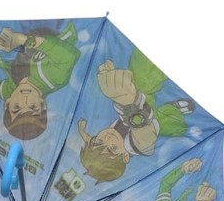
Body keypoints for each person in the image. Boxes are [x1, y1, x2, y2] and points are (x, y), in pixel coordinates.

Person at [79, 48, 194, 182]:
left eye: (99, 141)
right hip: (150, 123)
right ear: (125, 156)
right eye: (113, 149)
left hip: (142, 110)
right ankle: (173, 109)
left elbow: (88, 139)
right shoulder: (136, 145)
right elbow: (142, 129)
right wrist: (127, 101)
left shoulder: (106, 137)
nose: (108, 139)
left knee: (139, 85)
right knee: (144, 84)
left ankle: (167, 108)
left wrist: (82, 131)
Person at [0, 22, 81, 140]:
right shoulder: (54, 79)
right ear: (43, 104)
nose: (25, 99)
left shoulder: (10, 91)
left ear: (7, 103)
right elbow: (69, 57)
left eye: (17, 107)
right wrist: (25, 40)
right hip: (55, 24)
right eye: (33, 106)